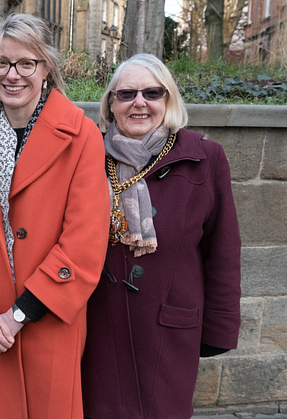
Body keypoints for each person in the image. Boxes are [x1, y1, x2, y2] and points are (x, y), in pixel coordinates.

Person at [0, 13, 110, 419]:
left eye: (26, 63)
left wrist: (16, 318)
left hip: (46, 321)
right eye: (2, 63)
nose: (13, 75)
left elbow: (84, 243)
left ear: (46, 68)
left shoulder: (81, 135)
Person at [81, 53, 242, 419]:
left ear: (168, 100)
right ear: (111, 104)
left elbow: (223, 251)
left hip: (167, 333)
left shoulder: (204, 157)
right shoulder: (87, 155)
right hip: (97, 328)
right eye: (127, 94)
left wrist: (218, 329)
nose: (140, 102)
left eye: (152, 93)